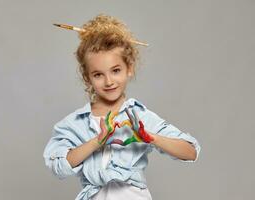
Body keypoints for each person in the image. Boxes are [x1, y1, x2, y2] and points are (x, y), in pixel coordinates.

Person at [43, 14, 201, 200]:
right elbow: (58, 168)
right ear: (87, 77)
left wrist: (151, 138)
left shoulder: (139, 116)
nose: (109, 81)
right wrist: (96, 141)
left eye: (116, 70)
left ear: (129, 68)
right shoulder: (74, 124)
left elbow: (190, 152)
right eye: (98, 74)